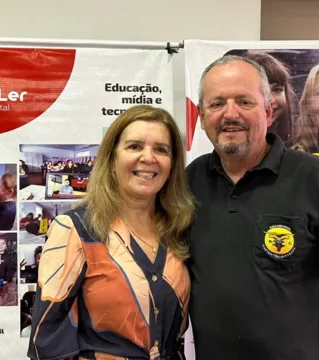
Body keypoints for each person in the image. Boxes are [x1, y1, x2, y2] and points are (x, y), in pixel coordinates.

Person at [186, 55, 319, 359]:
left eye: (245, 102)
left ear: (269, 110)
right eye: (217, 104)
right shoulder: (189, 182)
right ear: (201, 116)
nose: (230, 114)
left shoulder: (315, 177)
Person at [27, 105, 195, 360]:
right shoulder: (76, 228)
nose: (149, 158)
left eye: (161, 149)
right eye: (134, 146)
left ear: (172, 165)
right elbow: (47, 341)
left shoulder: (178, 229)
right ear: (112, 158)